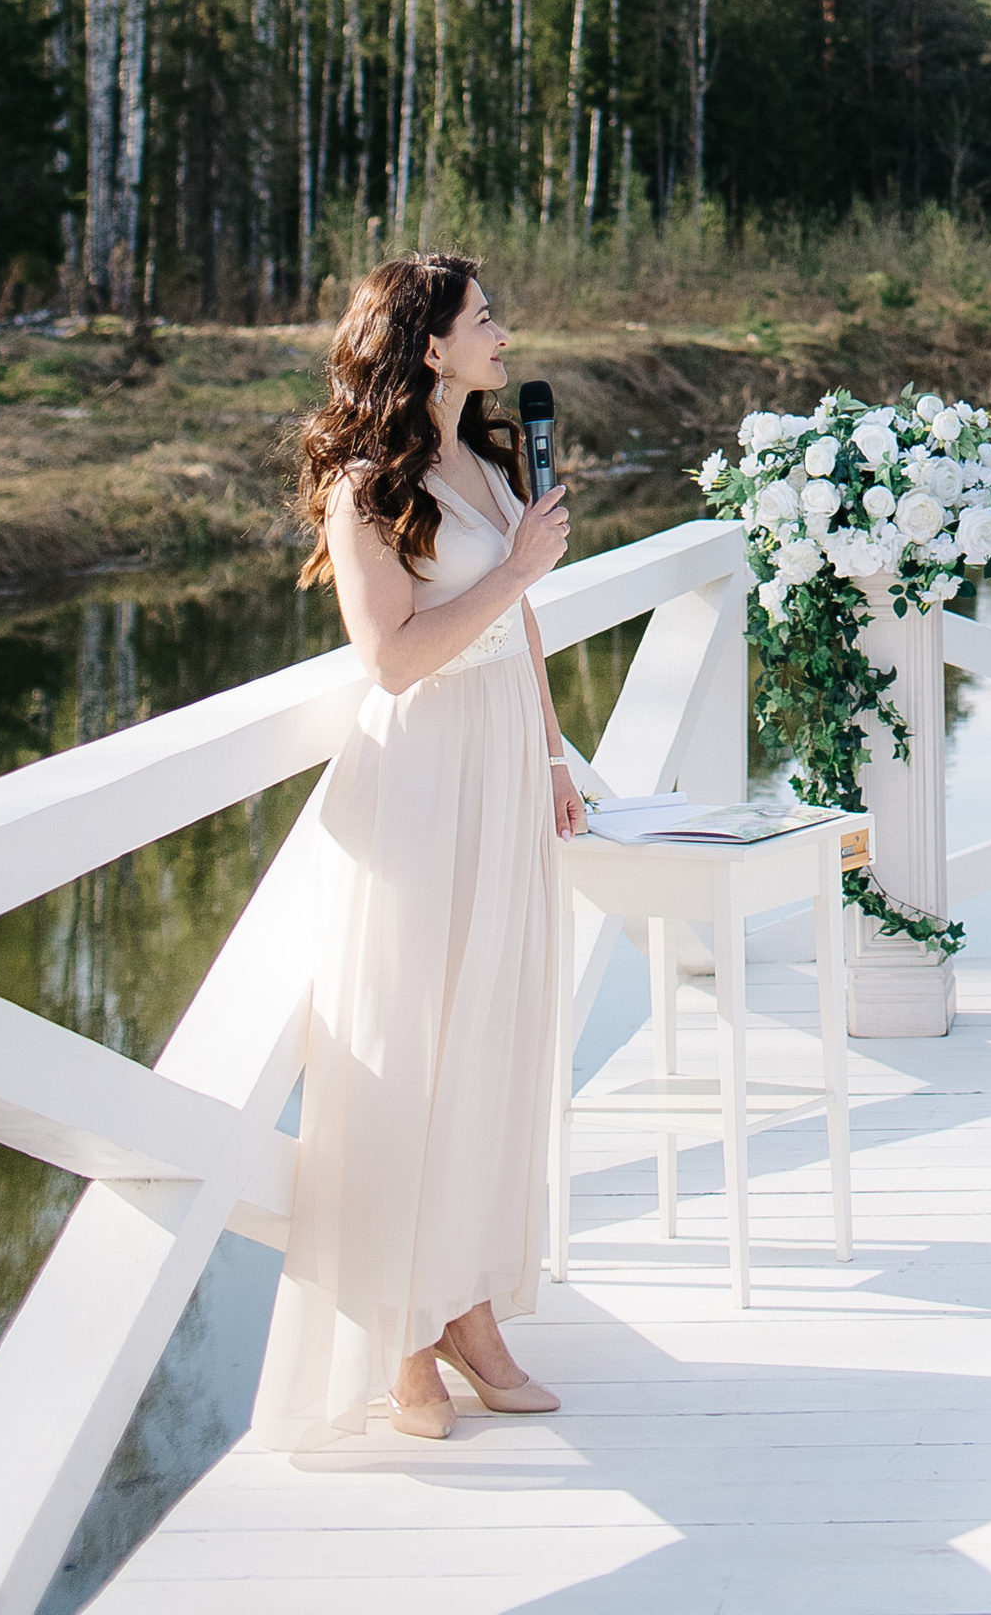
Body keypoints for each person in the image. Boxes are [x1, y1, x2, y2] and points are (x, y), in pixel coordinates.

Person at [253, 255, 586, 1449]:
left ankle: (469, 1308)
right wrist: (517, 568)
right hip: (425, 780)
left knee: (491, 1044)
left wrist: (552, 754)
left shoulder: (486, 462)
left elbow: (521, 622)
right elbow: (390, 660)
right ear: (430, 346)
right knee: (413, 1049)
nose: (503, 333)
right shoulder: (366, 485)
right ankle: (401, 1335)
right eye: (483, 318)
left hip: (501, 769)